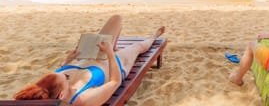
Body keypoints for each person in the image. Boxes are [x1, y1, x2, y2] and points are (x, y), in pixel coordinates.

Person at [14, 15, 165, 106]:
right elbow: (115, 82)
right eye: (66, 77)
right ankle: (154, 36)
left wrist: (67, 61)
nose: (67, 75)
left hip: (90, 55)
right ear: (61, 96)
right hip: (116, 63)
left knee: (116, 19)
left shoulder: (48, 88)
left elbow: (57, 79)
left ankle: (113, 44)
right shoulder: (84, 99)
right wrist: (111, 54)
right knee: (138, 47)